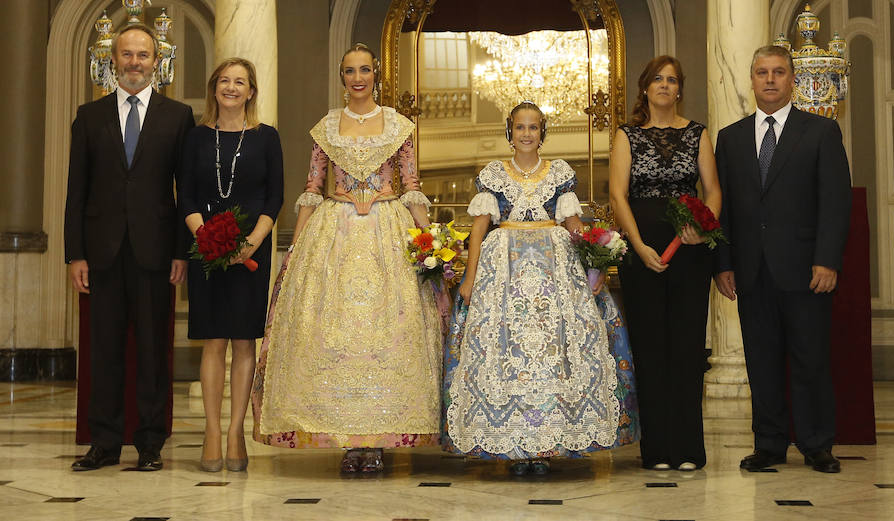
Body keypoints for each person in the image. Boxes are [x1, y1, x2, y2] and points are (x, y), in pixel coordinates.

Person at [251, 43, 440, 474]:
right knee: (331, 335)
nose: (358, 78)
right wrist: (296, 248)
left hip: (387, 231)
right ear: (342, 77)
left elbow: (411, 184)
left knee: (389, 334)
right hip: (332, 232)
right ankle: (347, 439)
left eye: (365, 70)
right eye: (350, 71)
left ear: (376, 74)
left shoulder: (398, 125)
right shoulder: (326, 128)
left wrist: (425, 241)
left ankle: (380, 436)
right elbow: (312, 187)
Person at [443, 101, 638, 476]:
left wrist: (594, 259)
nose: (527, 134)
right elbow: (480, 230)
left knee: (554, 349)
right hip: (504, 272)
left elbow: (573, 225)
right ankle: (514, 445)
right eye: (520, 127)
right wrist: (469, 278)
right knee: (507, 348)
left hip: (554, 270)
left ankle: (548, 442)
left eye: (533, 127)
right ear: (509, 132)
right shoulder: (493, 175)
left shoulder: (560, 174)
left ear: (542, 133)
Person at [714, 45, 851, 474]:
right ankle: (769, 443)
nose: (770, 80)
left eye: (778, 72)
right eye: (761, 72)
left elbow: (835, 203)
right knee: (762, 361)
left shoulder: (820, 132)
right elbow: (722, 209)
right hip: (752, 271)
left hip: (807, 271)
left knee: (811, 359)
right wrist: (723, 263)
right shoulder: (731, 138)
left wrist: (827, 260)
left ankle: (817, 444)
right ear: (751, 80)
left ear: (791, 79)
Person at [65, 23, 195, 471]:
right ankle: (104, 442)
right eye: (127, 54)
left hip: (157, 254)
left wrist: (182, 251)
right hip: (101, 254)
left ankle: (151, 442)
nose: (135, 62)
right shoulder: (88, 115)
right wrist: (74, 254)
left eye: (143, 55)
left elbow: (186, 192)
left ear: (156, 62)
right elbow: (75, 193)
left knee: (153, 351)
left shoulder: (178, 116)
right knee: (103, 350)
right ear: (114, 59)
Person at [609, 56, 721, 471]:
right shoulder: (627, 136)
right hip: (642, 253)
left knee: (688, 348)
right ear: (645, 87)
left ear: (679, 89)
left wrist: (701, 224)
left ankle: (689, 449)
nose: (664, 85)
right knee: (650, 348)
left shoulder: (697, 134)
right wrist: (637, 246)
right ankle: (656, 450)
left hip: (690, 251)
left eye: (672, 80)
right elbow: (618, 196)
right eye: (657, 78)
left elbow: (713, 190)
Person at [181, 58, 283, 472]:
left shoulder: (266, 137)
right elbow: (185, 195)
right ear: (214, 88)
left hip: (251, 252)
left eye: (240, 82)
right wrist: (205, 236)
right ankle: (210, 431)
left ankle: (237, 431)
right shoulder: (195, 138)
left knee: (244, 342)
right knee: (213, 341)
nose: (231, 88)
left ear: (251, 91)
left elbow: (274, 196)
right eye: (224, 81)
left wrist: (251, 243)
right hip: (206, 249)